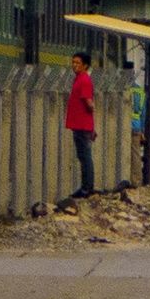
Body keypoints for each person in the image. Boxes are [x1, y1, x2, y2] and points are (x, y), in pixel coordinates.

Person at [65, 54, 100, 196]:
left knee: (85, 156)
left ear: (85, 65)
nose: (74, 65)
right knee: (84, 156)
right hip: (80, 124)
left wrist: (91, 123)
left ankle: (86, 188)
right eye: (73, 62)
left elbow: (88, 102)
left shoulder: (84, 80)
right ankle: (87, 187)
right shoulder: (79, 79)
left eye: (78, 63)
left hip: (82, 125)